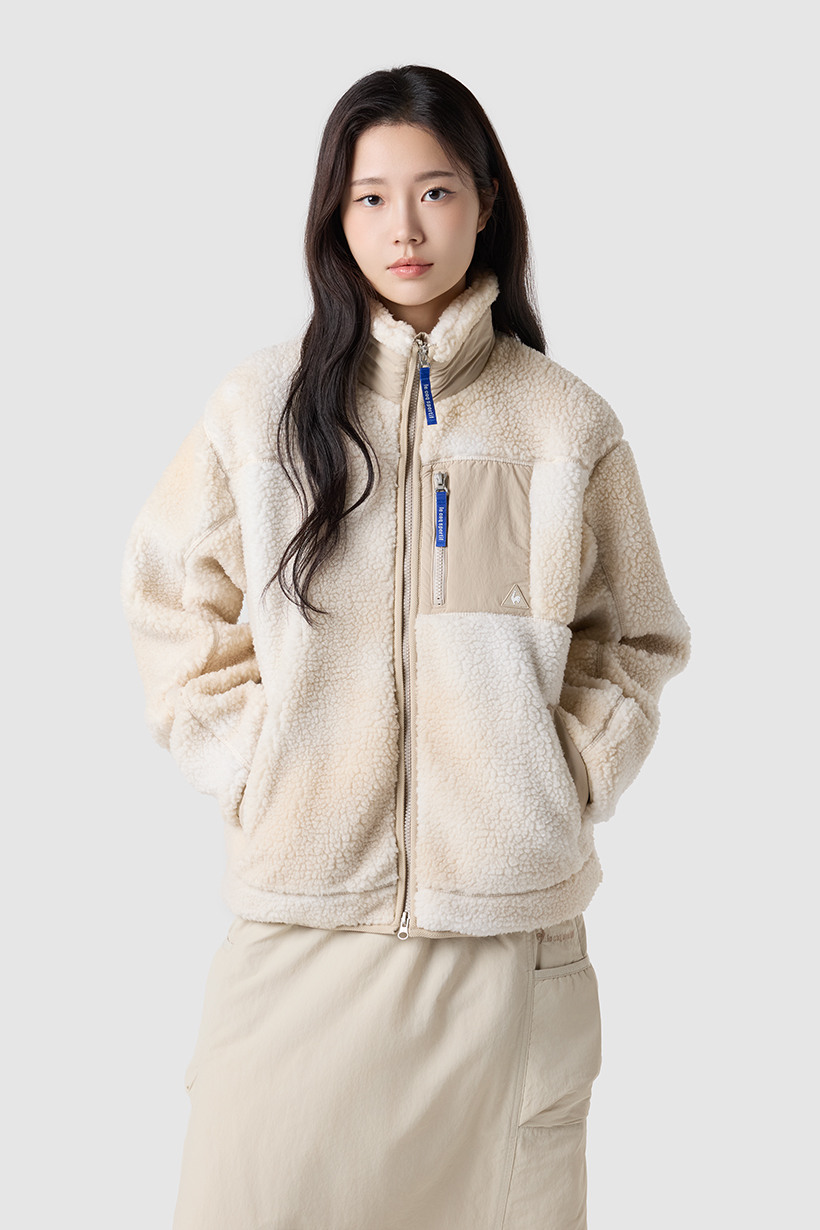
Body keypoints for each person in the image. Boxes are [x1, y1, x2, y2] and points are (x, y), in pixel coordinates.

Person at [122, 64, 690, 1230]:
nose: (404, 228)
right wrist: (255, 761)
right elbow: (170, 602)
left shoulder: (561, 423)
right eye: (370, 197)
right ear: (334, 216)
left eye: (434, 192)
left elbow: (633, 637)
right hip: (301, 922)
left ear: (485, 202)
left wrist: (564, 772)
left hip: (502, 939)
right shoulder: (260, 412)